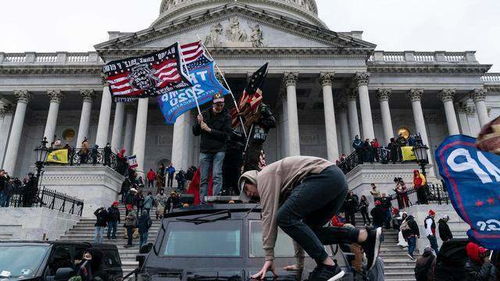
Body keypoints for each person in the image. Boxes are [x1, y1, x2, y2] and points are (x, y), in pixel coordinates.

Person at [238, 156, 382, 280]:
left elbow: (269, 219)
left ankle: (328, 265)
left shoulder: (264, 176)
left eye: (246, 189)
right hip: (337, 182)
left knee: (283, 217)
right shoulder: (282, 188)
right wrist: (300, 263)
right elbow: (299, 230)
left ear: (251, 179)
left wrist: (269, 257)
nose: (248, 194)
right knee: (310, 230)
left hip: (325, 177)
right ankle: (363, 236)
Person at [193, 93, 232, 203]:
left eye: (221, 104)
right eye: (217, 104)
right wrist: (198, 122)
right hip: (205, 150)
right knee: (203, 178)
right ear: (213, 104)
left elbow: (226, 135)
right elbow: (195, 132)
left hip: (219, 149)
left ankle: (215, 200)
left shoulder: (227, 117)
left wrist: (209, 130)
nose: (219, 107)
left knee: (217, 175)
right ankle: (203, 201)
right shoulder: (204, 114)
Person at [242, 102, 276, 171]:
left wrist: (259, 120)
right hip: (249, 141)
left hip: (257, 142)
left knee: (253, 163)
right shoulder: (251, 111)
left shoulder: (262, 108)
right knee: (247, 164)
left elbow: (273, 122)